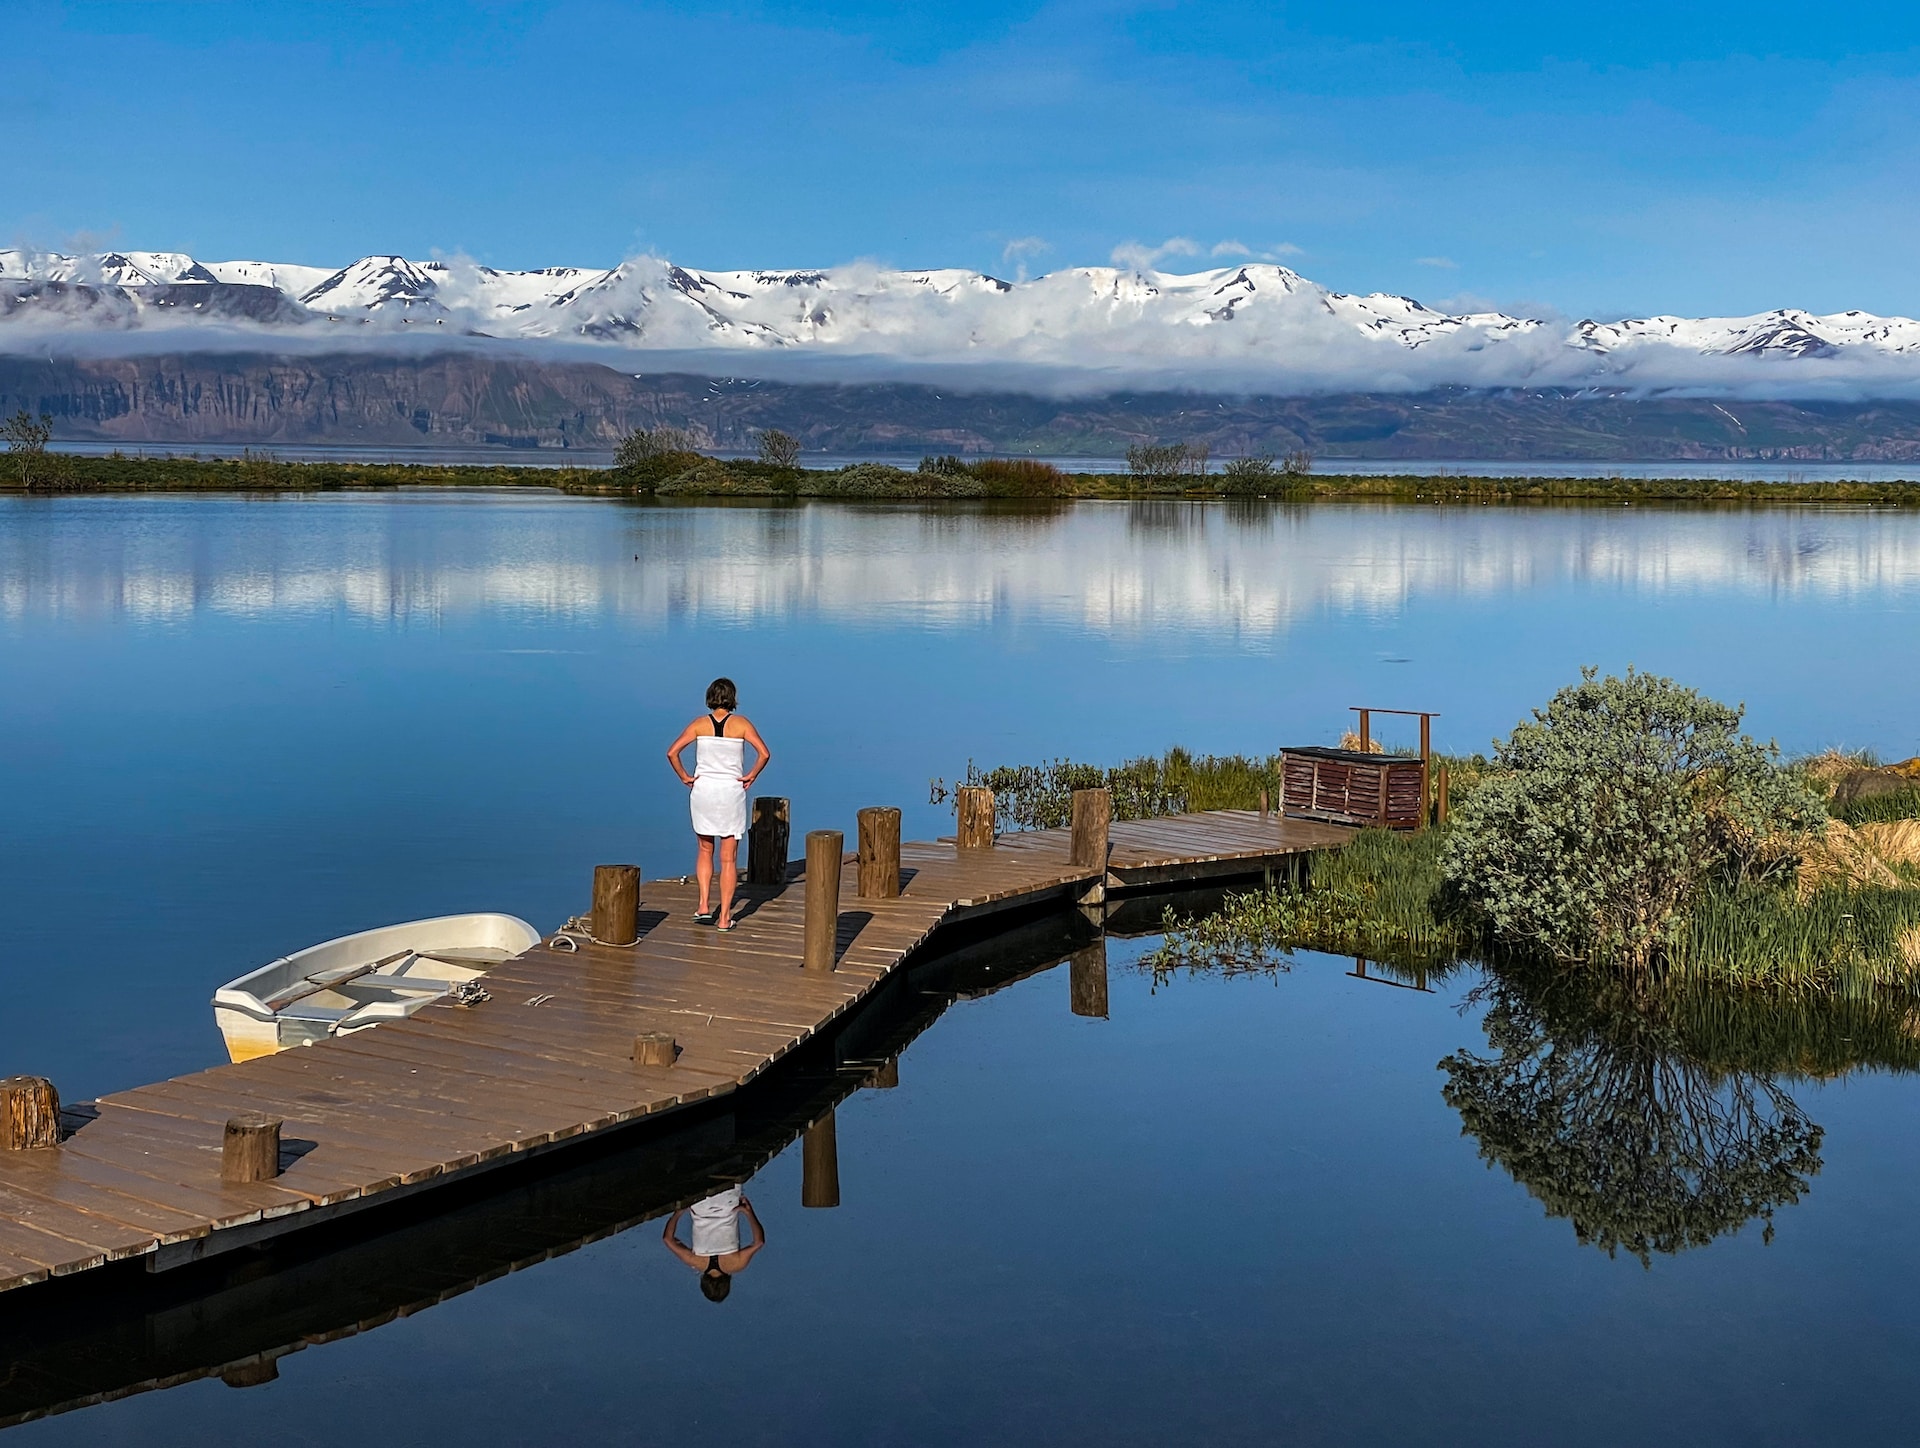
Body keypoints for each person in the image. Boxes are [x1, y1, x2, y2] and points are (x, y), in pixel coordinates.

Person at [666, 678, 771, 931]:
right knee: (728, 859)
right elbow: (764, 753)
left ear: (710, 697)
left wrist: (684, 776)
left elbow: (672, 752)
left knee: (704, 849)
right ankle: (724, 918)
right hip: (730, 791)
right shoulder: (742, 724)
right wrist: (752, 774)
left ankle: (703, 905)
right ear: (732, 698)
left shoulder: (699, 724)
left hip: (703, 790)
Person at [662, 1187, 765, 1302]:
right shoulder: (695, 1262)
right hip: (699, 1203)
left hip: (728, 1202)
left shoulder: (737, 1264)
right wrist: (678, 1212)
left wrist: (748, 1212)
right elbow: (668, 1239)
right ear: (703, 1283)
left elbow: (759, 1242)